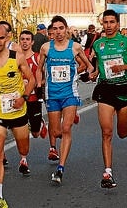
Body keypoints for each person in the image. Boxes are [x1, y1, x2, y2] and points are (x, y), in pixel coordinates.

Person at [0, 23, 35, 208]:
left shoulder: (17, 57)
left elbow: (31, 79)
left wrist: (24, 97)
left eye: (0, 38)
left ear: (7, 38)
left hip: (18, 110)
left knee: (23, 148)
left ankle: (24, 153)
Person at [89, 9, 127, 189]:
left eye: (112, 22)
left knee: (121, 133)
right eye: (105, 22)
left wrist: (124, 67)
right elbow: (98, 64)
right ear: (102, 24)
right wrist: (94, 73)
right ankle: (108, 172)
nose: (109, 26)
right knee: (106, 133)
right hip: (105, 89)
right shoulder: (98, 44)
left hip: (124, 89)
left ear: (118, 24)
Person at [36, 16, 94, 185]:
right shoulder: (46, 48)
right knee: (56, 132)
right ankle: (68, 120)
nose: (58, 32)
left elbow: (89, 65)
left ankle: (60, 168)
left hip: (70, 93)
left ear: (66, 29)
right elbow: (39, 69)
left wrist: (79, 73)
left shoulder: (75, 47)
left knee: (66, 129)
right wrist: (39, 83)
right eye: (55, 29)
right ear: (51, 31)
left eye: (61, 28)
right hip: (52, 94)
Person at [19, 30, 48, 140]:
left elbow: (46, 78)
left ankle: (39, 122)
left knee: (35, 133)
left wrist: (36, 83)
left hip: (34, 98)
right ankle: (23, 156)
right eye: (22, 39)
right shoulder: (15, 59)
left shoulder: (36, 58)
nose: (25, 42)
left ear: (32, 42)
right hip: (20, 98)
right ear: (19, 41)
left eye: (27, 39)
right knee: (21, 127)